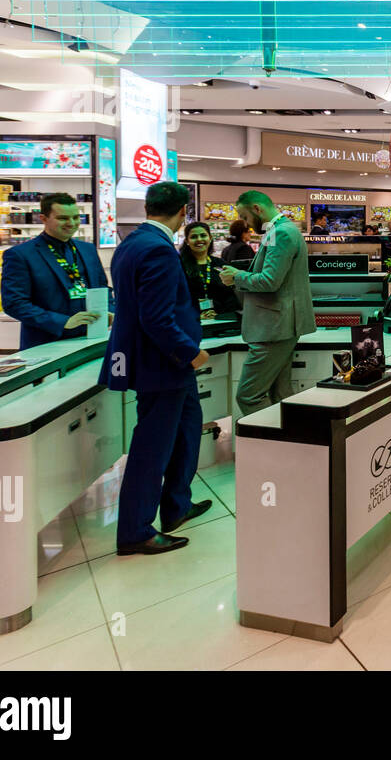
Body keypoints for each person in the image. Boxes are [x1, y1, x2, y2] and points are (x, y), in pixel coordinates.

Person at [100, 182, 211, 556]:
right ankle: (135, 530)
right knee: (152, 448)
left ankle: (177, 505)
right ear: (183, 212)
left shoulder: (132, 243)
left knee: (187, 431)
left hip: (161, 365)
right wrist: (189, 352)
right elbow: (157, 318)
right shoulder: (159, 251)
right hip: (164, 365)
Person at [219, 190, 317, 415]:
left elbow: (270, 280)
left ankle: (275, 444)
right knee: (280, 394)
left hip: (274, 328)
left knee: (249, 396)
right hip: (279, 325)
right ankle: (288, 444)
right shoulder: (277, 231)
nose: (245, 223)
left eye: (244, 217)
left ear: (257, 209)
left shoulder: (281, 233)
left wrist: (237, 277)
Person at [2, 192, 113, 350]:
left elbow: (103, 288)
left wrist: (111, 311)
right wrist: (63, 322)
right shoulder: (20, 255)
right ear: (43, 219)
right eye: (63, 218)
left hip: (91, 338)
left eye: (75, 217)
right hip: (47, 344)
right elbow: (14, 304)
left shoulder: (87, 250)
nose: (71, 223)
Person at [180, 221, 240, 320]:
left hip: (220, 321)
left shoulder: (221, 264)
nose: (199, 239)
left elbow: (229, 296)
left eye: (203, 235)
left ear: (210, 238)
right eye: (194, 237)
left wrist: (219, 314)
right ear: (187, 241)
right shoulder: (179, 266)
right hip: (190, 321)